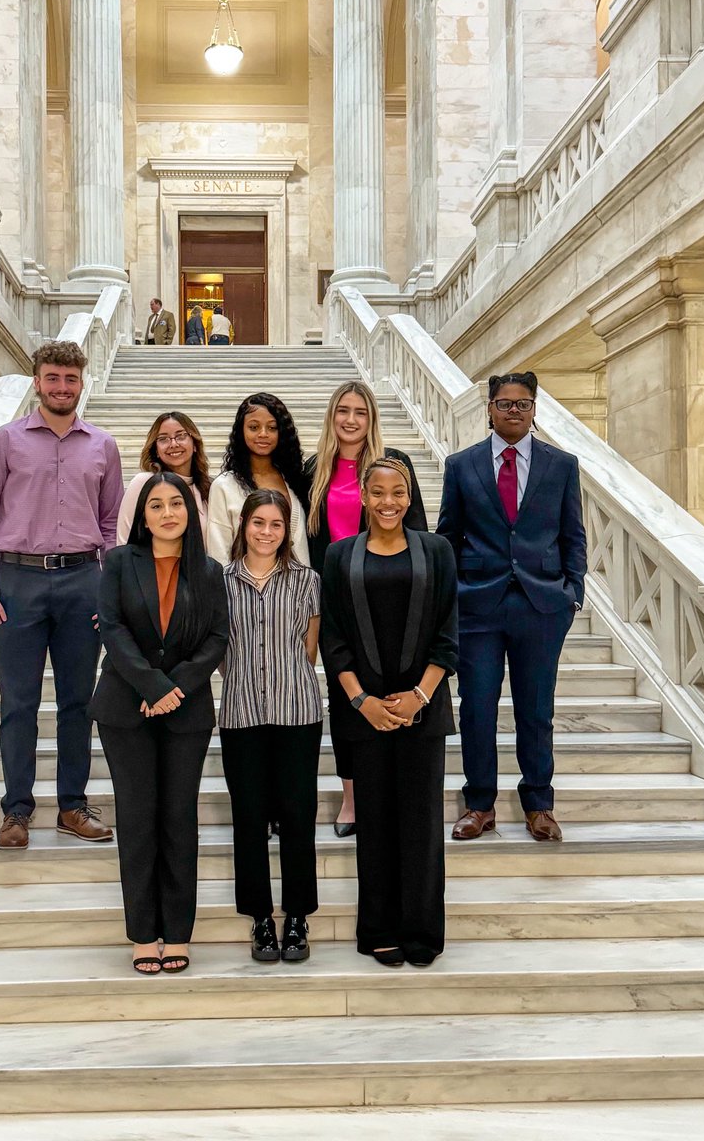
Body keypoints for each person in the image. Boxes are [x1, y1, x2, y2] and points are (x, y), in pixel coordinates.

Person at [0, 341, 123, 851]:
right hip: (18, 583)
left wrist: (110, 588)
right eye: (52, 378)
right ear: (37, 382)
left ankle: (72, 807)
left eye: (70, 379)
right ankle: (16, 811)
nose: (61, 387)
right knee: (19, 702)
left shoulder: (103, 446)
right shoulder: (4, 442)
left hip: (83, 582)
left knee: (78, 701)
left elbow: (112, 525)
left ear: (82, 383)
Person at [437, 371, 587, 843]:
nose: (514, 411)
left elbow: (573, 535)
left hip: (541, 606)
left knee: (536, 710)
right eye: (505, 403)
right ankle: (479, 805)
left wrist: (572, 593)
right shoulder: (461, 466)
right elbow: (447, 535)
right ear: (489, 408)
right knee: (477, 708)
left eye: (523, 404)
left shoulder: (561, 465)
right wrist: (454, 593)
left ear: (534, 408)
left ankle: (539, 804)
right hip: (478, 605)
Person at [89, 473, 229, 974]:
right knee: (137, 818)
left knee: (177, 818)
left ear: (191, 513)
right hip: (126, 708)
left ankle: (179, 932)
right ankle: (143, 933)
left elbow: (216, 638)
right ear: (143, 516)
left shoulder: (210, 571)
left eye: (177, 504)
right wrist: (152, 685)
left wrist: (176, 688)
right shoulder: (120, 563)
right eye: (156, 505)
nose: (168, 513)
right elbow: (113, 626)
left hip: (186, 712)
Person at [321, 457, 458, 967]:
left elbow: (448, 635)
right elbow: (334, 641)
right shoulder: (339, 556)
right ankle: (379, 928)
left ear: (410, 495)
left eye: (397, 492)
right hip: (364, 712)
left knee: (421, 826)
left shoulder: (437, 551)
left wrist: (417, 697)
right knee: (375, 825)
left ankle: (422, 931)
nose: (387, 502)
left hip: (423, 707)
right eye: (377, 492)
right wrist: (363, 702)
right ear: (362, 495)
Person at [305, 379, 428, 839]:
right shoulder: (314, 468)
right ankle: (353, 797)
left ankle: (397, 787)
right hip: (336, 597)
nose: (350, 419)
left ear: (371, 418)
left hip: (386, 593)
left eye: (359, 411)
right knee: (345, 697)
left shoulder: (394, 465)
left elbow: (417, 534)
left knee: (393, 686)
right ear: (332, 416)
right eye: (342, 410)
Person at [219, 490, 322, 963]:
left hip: (297, 712)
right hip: (241, 713)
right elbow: (219, 650)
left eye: (275, 524)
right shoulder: (220, 582)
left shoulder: (307, 581)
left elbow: (310, 646)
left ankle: (298, 918)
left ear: (288, 530)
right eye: (258, 523)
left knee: (298, 816)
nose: (266, 532)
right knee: (249, 819)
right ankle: (260, 918)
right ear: (244, 525)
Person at [206, 392, 310, 566]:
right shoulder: (224, 486)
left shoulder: (294, 481)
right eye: (254, 427)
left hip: (294, 588)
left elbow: (300, 548)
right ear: (241, 431)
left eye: (272, 427)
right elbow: (219, 553)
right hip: (242, 589)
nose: (263, 434)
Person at [116, 411, 211, 545]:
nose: (173, 444)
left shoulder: (207, 488)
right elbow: (124, 538)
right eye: (163, 439)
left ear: (195, 444)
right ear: (156, 450)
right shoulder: (143, 483)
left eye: (181, 436)